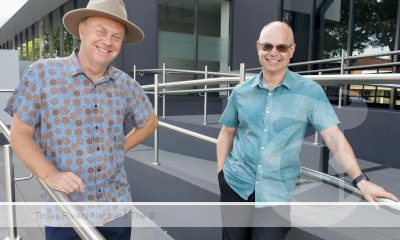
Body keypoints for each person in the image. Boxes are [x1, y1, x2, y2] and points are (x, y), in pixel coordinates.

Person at [216, 21, 399, 240]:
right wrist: (221, 174)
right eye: (267, 46)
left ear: (292, 51)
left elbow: (333, 136)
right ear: (258, 48)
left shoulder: (309, 91)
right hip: (236, 185)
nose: (274, 53)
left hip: (276, 195)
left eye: (282, 47)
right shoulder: (241, 92)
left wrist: (360, 179)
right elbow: (227, 132)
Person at [5, 0, 157, 239]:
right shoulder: (42, 73)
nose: (108, 41)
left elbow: (149, 121)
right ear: (82, 30)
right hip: (65, 211)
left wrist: (120, 147)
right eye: (101, 31)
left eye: (116, 36)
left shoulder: (127, 85)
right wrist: (50, 175)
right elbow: (20, 133)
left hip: (115, 207)